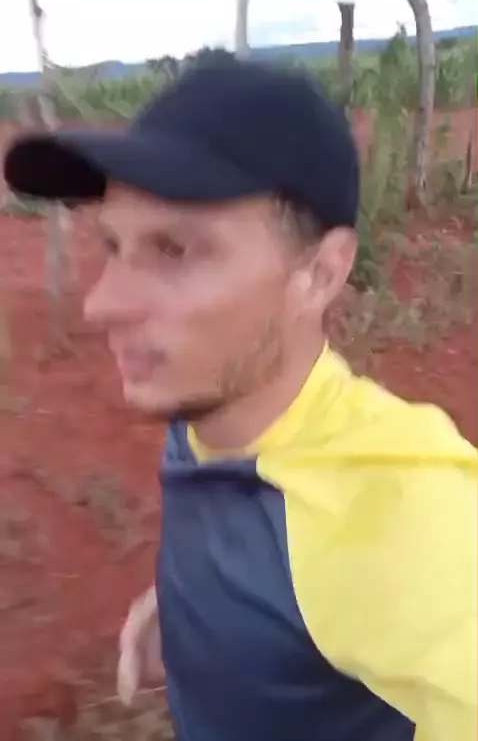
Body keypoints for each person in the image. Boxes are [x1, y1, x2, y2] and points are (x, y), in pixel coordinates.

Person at [5, 57, 476, 741]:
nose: (100, 304)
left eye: (174, 250)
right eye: (113, 245)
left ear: (320, 273)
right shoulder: (213, 402)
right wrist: (190, 606)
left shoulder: (402, 515)